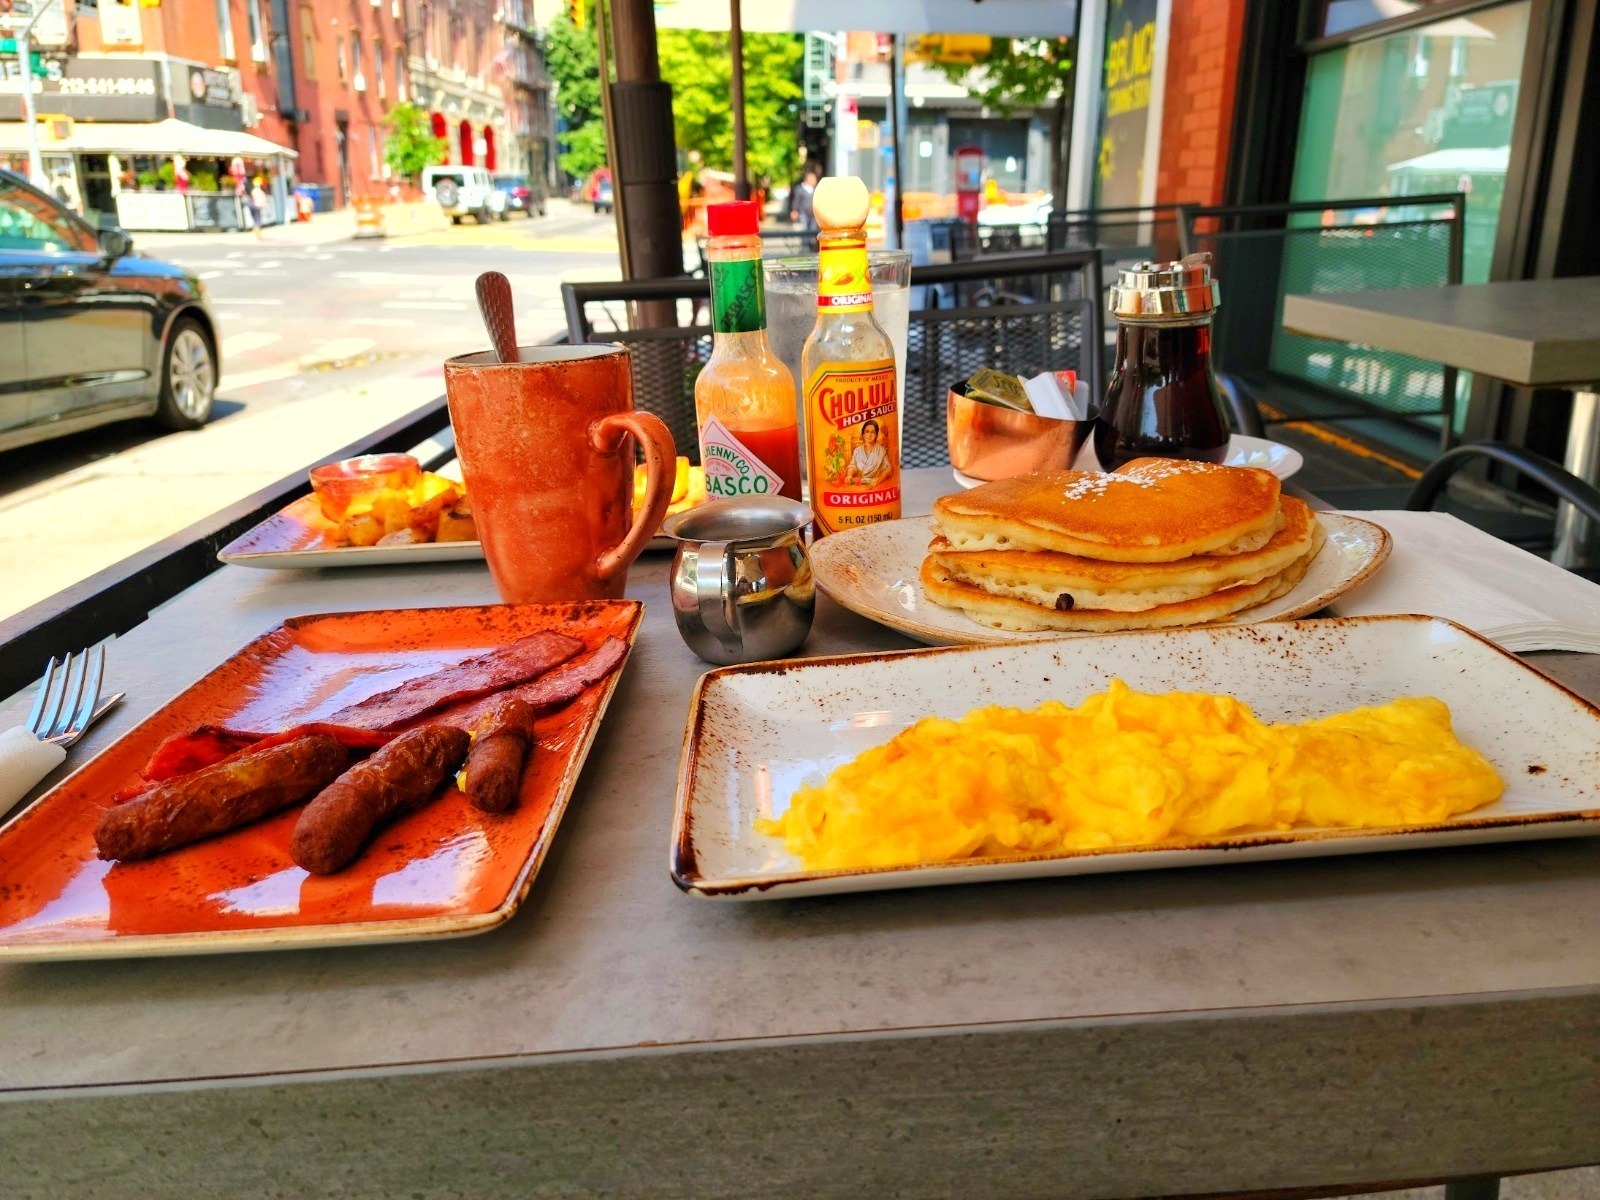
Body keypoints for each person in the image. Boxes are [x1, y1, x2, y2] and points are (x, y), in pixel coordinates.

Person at [847, 420, 892, 486]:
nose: (869, 435)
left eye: (873, 432)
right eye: (867, 432)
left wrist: (877, 481)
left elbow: (888, 469)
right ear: (863, 434)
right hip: (859, 483)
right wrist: (849, 475)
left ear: (876, 435)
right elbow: (852, 466)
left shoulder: (881, 450)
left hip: (876, 484)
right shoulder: (857, 451)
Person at [790, 164, 819, 232]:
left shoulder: (815, 189)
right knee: (804, 229)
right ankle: (805, 241)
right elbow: (796, 201)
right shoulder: (800, 189)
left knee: (813, 229)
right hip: (803, 213)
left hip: (813, 213)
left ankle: (810, 242)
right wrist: (794, 210)